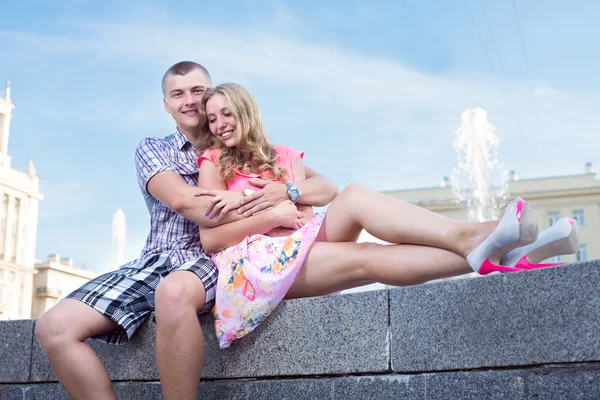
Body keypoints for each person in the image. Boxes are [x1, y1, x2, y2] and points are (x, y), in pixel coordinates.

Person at [194, 83, 579, 349]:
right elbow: (212, 238)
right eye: (212, 119)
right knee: (368, 256)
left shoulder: (284, 156)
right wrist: (273, 210)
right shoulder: (213, 162)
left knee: (356, 195)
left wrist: (287, 195)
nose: (220, 124)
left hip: (299, 242)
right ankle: (493, 241)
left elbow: (307, 209)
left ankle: (489, 244)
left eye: (226, 113)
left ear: (246, 111)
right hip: (254, 267)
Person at [34, 63, 338, 400]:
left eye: (197, 91)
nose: (189, 100)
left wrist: (289, 192)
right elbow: (186, 201)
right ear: (166, 104)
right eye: (177, 94)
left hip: (213, 258)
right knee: (53, 328)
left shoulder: (247, 148)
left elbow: (323, 186)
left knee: (174, 293)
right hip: (156, 260)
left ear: (211, 96)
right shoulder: (154, 149)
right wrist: (267, 199)